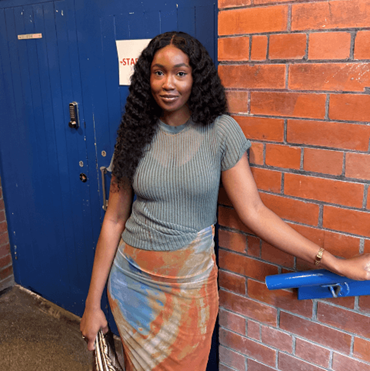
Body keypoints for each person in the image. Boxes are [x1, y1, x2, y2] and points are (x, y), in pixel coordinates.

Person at [80, 31, 370, 371]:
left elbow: (255, 212)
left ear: (196, 77)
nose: (168, 84)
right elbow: (114, 220)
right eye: (158, 73)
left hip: (189, 289)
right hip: (132, 284)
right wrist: (91, 303)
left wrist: (333, 262)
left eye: (180, 73)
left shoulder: (221, 132)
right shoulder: (134, 133)